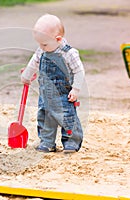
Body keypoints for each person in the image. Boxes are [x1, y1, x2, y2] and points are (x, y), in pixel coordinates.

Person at [21, 14, 85, 153]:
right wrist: (26, 75)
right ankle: (47, 142)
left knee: (67, 118)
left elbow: (79, 71)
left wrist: (76, 89)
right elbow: (33, 63)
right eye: (39, 44)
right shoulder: (41, 51)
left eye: (44, 44)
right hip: (45, 94)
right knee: (45, 118)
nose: (41, 47)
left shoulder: (69, 53)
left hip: (63, 95)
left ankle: (71, 142)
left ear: (58, 39)